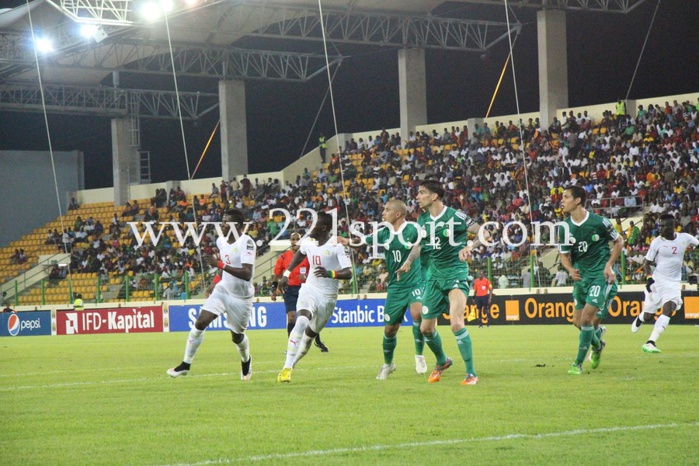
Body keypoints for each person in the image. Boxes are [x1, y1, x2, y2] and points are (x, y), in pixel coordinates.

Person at [397, 180, 486, 385]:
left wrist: (470, 246)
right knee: (425, 329)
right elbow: (420, 245)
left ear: (434, 196)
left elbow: (484, 232)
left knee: (456, 323)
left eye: (421, 192)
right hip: (434, 278)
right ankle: (443, 361)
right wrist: (408, 262)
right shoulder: (423, 220)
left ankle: (471, 374)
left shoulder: (455, 216)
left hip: (455, 274)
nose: (417, 197)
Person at [339, 199, 427, 379]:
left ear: (397, 214)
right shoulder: (384, 232)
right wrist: (346, 241)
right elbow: (363, 240)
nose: (383, 213)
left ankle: (419, 355)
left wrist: (410, 261)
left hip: (415, 282)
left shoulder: (413, 229)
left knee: (417, 313)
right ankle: (388, 364)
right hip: (396, 287)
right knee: (390, 330)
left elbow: (420, 246)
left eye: (386, 210)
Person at [167, 209, 255, 381]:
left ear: (236, 225)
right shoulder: (221, 241)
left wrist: (219, 264)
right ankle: (185, 364)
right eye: (222, 221)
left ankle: (246, 360)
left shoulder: (247, 242)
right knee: (201, 322)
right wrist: (214, 283)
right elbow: (225, 268)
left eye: (226, 221)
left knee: (237, 337)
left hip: (241, 298)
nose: (222, 224)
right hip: (223, 290)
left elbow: (246, 273)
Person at [276, 212, 352, 383]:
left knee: (308, 338)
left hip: (328, 297)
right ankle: (286, 368)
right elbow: (300, 254)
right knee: (301, 321)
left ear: (323, 228)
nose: (309, 227)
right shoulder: (308, 242)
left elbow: (348, 273)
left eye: (313, 224)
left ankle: (291, 364)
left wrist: (330, 273)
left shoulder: (337, 246)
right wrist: (287, 274)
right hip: (309, 289)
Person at [558, 185, 624, 375]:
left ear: (577, 200)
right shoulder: (564, 227)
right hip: (581, 278)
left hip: (599, 276)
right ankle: (598, 344)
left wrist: (609, 265)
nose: (562, 201)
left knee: (587, 319)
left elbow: (619, 241)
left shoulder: (599, 222)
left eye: (566, 197)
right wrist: (570, 269)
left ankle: (577, 363)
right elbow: (563, 255)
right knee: (578, 323)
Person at [631, 214, 698, 353]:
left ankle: (650, 342)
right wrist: (649, 278)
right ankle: (641, 317)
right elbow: (647, 263)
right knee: (649, 316)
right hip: (658, 282)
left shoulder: (685, 238)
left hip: (673, 283)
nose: (660, 228)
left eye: (663, 226)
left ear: (672, 226)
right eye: (659, 226)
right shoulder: (657, 242)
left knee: (669, 308)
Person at [271, 232, 329, 352]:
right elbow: (276, 274)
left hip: (305, 289)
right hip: (289, 290)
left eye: (297, 239)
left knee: (309, 317)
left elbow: (315, 271)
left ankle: (317, 341)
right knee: (292, 318)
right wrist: (274, 289)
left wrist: (306, 276)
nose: (295, 241)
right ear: (290, 241)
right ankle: (291, 346)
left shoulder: (307, 256)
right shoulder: (284, 257)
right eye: (293, 239)